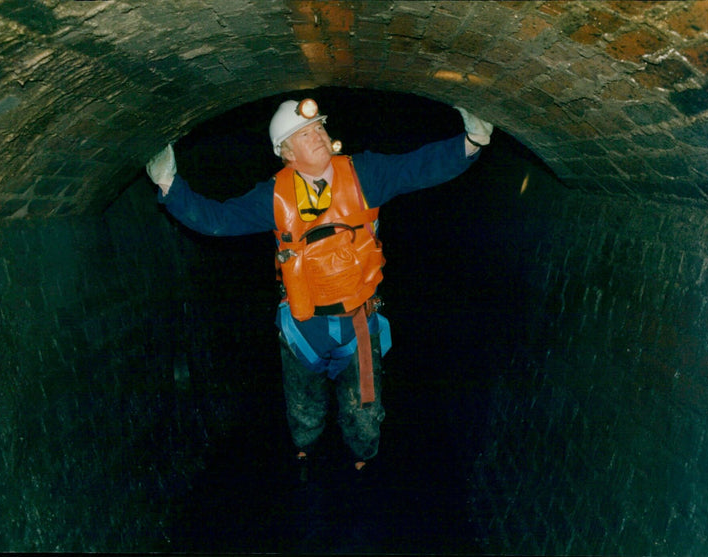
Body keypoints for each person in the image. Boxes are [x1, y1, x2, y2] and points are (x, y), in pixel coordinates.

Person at [146, 98, 493, 481]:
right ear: (286, 153)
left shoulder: (365, 175)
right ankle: (305, 455)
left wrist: (470, 143)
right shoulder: (272, 198)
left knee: (364, 414)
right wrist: (169, 185)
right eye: (305, 133)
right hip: (302, 324)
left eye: (320, 129)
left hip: (359, 322)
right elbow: (218, 220)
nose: (319, 136)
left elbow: (417, 168)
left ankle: (364, 464)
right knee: (304, 412)